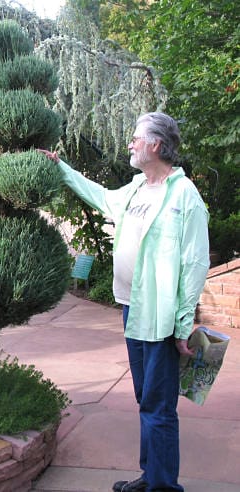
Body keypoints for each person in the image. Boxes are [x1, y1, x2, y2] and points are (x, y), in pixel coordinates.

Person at [39, 112, 210, 492]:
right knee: (146, 399)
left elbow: (195, 262)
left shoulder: (184, 196)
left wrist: (184, 324)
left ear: (155, 145)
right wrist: (61, 167)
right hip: (132, 308)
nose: (130, 144)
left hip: (162, 317)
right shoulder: (135, 189)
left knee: (158, 405)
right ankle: (151, 478)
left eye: (136, 138)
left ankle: (163, 486)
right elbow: (98, 196)